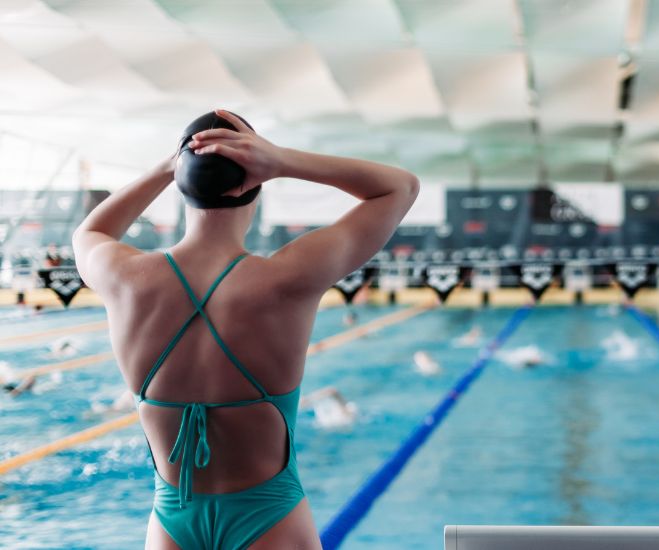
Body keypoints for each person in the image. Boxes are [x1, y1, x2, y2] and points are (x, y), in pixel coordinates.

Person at [72, 109, 419, 549]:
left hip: (173, 520)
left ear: (182, 185)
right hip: (269, 517)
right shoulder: (288, 278)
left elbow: (90, 231)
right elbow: (399, 187)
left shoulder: (123, 275)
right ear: (256, 183)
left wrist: (168, 166)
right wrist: (283, 161)